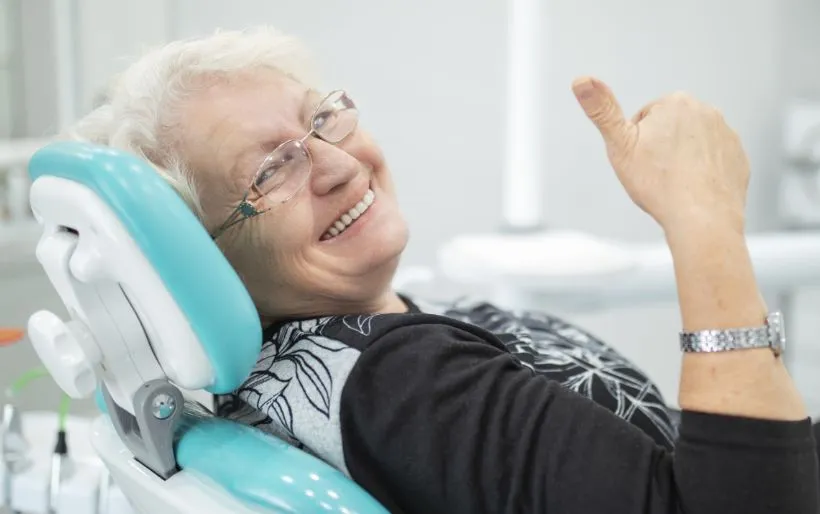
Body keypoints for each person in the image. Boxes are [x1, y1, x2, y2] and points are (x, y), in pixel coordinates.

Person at [66, 27, 819, 514]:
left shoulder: (355, 347)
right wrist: (705, 221)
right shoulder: (398, 382)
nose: (336, 163)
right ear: (205, 260)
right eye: (271, 171)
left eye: (319, 120)